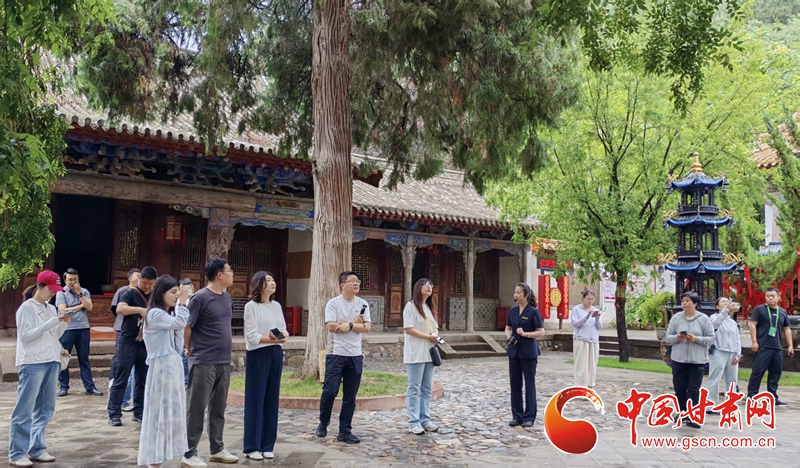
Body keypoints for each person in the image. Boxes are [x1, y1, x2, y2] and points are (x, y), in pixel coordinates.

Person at [8, 271, 70, 467]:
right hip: (32, 362)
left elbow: (53, 334)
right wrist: (52, 322)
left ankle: (37, 448)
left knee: (46, 407)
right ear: (40, 286)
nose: (53, 293)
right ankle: (17, 452)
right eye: (50, 289)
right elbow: (26, 336)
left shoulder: (50, 308)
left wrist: (63, 324)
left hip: (51, 359)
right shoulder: (26, 308)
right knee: (25, 408)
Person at [182, 259, 238, 467]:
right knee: (196, 407)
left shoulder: (227, 297)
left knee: (219, 408)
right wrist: (189, 349)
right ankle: (189, 453)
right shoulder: (200, 298)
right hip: (203, 360)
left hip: (223, 360)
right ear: (219, 275)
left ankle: (217, 449)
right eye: (229, 270)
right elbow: (188, 326)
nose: (232, 274)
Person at [138, 276, 190, 468]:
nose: (176, 296)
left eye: (177, 292)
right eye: (173, 292)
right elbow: (179, 323)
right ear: (161, 293)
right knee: (158, 415)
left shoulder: (167, 316)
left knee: (171, 416)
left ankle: (159, 459)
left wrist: (178, 314)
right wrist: (182, 304)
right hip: (161, 369)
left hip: (172, 366)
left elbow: (177, 345)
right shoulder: (154, 314)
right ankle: (154, 460)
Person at [316, 271, 372, 444]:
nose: (356, 284)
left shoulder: (362, 304)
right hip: (336, 353)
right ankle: (323, 422)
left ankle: (345, 431)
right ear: (342, 284)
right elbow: (331, 326)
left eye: (357, 281)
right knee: (330, 391)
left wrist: (349, 324)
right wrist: (354, 324)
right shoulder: (333, 303)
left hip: (355, 355)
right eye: (352, 281)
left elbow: (367, 327)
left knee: (350, 396)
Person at [242, 271, 289, 461]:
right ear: (259, 284)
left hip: (275, 354)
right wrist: (273, 339)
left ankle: (268, 444)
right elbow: (251, 337)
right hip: (258, 355)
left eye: (273, 279)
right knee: (255, 398)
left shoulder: (276, 306)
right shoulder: (251, 307)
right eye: (268, 280)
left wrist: (280, 337)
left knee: (271, 398)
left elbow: (282, 330)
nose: (272, 283)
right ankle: (252, 446)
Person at [107, 266, 157, 426]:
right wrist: (140, 310)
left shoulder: (154, 296)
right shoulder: (129, 292)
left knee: (142, 379)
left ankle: (139, 412)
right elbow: (120, 308)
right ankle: (114, 413)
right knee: (121, 377)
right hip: (128, 340)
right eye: (144, 283)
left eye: (150, 284)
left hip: (145, 342)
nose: (147, 286)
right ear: (139, 279)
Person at [663, 291, 715, 428]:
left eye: (687, 301)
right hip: (679, 359)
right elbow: (668, 337)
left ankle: (692, 416)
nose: (684, 303)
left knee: (693, 389)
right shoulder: (676, 318)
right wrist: (677, 338)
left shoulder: (704, 319)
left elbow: (711, 338)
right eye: (683, 301)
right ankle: (682, 413)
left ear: (695, 303)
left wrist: (696, 339)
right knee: (679, 389)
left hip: (697, 361)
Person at [55, 268, 102, 397]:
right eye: (70, 280)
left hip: (83, 328)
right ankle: (63, 387)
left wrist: (80, 294)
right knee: (64, 357)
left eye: (75, 279)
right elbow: (63, 310)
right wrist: (81, 306)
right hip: (66, 328)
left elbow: (90, 307)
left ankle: (90, 387)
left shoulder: (84, 292)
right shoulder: (61, 293)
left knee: (84, 359)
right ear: (65, 280)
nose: (73, 282)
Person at [402, 278, 440, 435]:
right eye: (426, 285)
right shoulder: (411, 306)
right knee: (414, 388)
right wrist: (428, 337)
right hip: (416, 353)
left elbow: (435, 327)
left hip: (429, 353)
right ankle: (414, 421)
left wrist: (435, 335)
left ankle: (425, 419)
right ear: (418, 287)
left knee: (426, 388)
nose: (429, 287)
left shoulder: (429, 307)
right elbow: (408, 328)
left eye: (431, 285)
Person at [504, 283, 544, 427]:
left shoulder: (533, 312)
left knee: (529, 384)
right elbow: (507, 328)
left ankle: (529, 416)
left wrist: (525, 334)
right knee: (515, 384)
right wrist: (509, 337)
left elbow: (541, 332)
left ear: (526, 295)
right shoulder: (513, 311)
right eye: (515, 292)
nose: (515, 295)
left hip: (528, 353)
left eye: (518, 293)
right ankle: (517, 415)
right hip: (514, 352)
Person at [747, 287, 794, 406]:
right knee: (757, 372)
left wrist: (790, 345)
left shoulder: (782, 312)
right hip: (763, 346)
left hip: (777, 347)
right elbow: (752, 324)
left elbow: (787, 329)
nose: (770, 298)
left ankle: (772, 397)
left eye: (773, 296)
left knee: (775, 373)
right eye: (768, 296)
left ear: (778, 297)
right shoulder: (760, 309)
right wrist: (754, 341)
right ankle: (752, 396)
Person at [109, 268, 140, 410]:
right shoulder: (123, 291)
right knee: (121, 360)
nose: (139, 278)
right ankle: (120, 400)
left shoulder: (142, 293)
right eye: (137, 276)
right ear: (130, 278)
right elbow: (115, 308)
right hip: (123, 329)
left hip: (137, 332)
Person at [705, 297, 741, 415]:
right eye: (723, 302)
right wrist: (725, 311)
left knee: (732, 380)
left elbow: (737, 339)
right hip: (719, 351)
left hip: (732, 353)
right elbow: (714, 325)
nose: (726, 303)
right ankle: (711, 405)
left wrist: (738, 354)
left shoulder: (732, 322)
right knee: (714, 377)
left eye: (727, 302)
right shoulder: (714, 318)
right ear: (717, 306)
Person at [571, 290, 602, 388]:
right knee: (581, 364)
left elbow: (599, 327)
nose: (590, 301)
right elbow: (575, 323)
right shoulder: (577, 309)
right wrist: (586, 316)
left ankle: (590, 384)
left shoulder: (595, 310)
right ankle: (580, 385)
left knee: (592, 364)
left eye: (592, 299)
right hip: (581, 339)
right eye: (588, 299)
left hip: (593, 340)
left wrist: (597, 318)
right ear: (583, 299)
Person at [179, 278, 195, 387]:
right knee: (184, 356)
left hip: (193, 331)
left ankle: (188, 379)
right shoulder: (180, 301)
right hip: (182, 332)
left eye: (190, 286)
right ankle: (185, 379)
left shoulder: (195, 299)